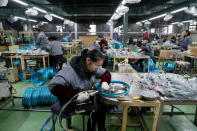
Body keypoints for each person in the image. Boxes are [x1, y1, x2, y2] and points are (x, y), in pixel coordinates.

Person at [48, 49, 111, 131]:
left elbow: (106, 73)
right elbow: (53, 86)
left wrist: (105, 82)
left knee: (102, 106)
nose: (98, 68)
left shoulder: (91, 66)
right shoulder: (69, 71)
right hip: (70, 102)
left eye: (99, 66)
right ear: (88, 60)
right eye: (97, 66)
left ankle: (101, 128)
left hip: (85, 98)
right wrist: (76, 94)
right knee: (95, 110)